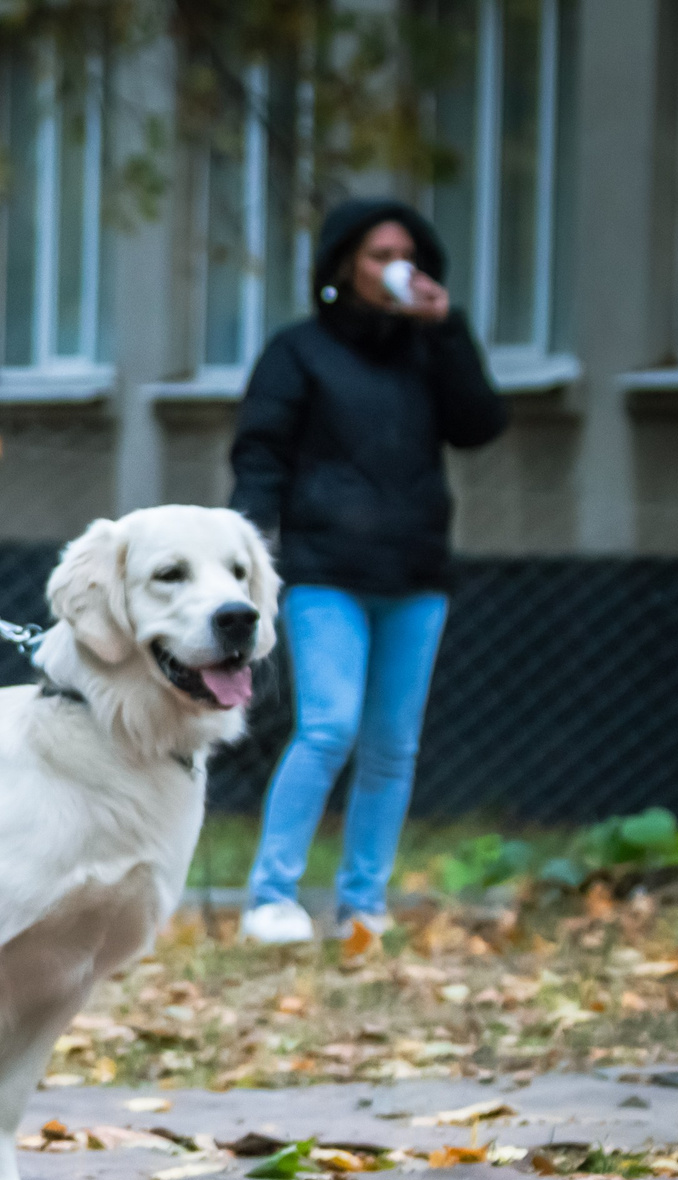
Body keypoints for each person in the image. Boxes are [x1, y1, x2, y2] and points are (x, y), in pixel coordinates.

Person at [231, 198, 509, 945]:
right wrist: (244, 553)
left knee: (392, 745)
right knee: (328, 727)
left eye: (408, 254)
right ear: (344, 266)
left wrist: (446, 326)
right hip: (326, 571)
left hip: (416, 572)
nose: (396, 268)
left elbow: (480, 423)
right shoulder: (299, 351)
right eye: (379, 254)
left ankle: (363, 905)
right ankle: (271, 898)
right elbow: (261, 451)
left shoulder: (429, 350)